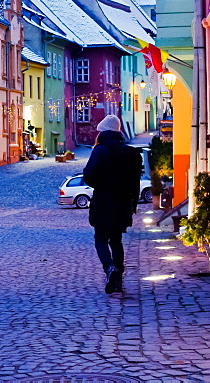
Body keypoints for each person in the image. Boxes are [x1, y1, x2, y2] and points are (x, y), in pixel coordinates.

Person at [83, 114, 143, 294]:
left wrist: (101, 184)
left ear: (102, 132)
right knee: (116, 241)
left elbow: (88, 176)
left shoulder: (100, 150)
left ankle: (110, 269)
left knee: (100, 239)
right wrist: (133, 203)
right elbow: (135, 182)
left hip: (103, 201)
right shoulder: (131, 153)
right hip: (123, 203)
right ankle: (118, 280)